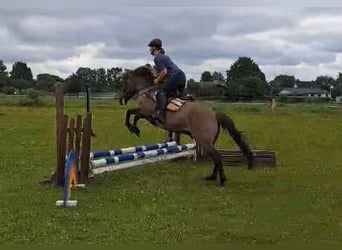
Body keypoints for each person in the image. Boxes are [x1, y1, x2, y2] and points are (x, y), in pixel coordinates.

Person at [147, 38, 186, 123]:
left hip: (175, 77)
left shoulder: (157, 58)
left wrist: (156, 80)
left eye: (150, 47)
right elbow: (165, 73)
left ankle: (160, 115)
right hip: (181, 76)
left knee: (160, 93)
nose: (149, 49)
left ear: (154, 47)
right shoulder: (164, 56)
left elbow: (164, 72)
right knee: (173, 96)